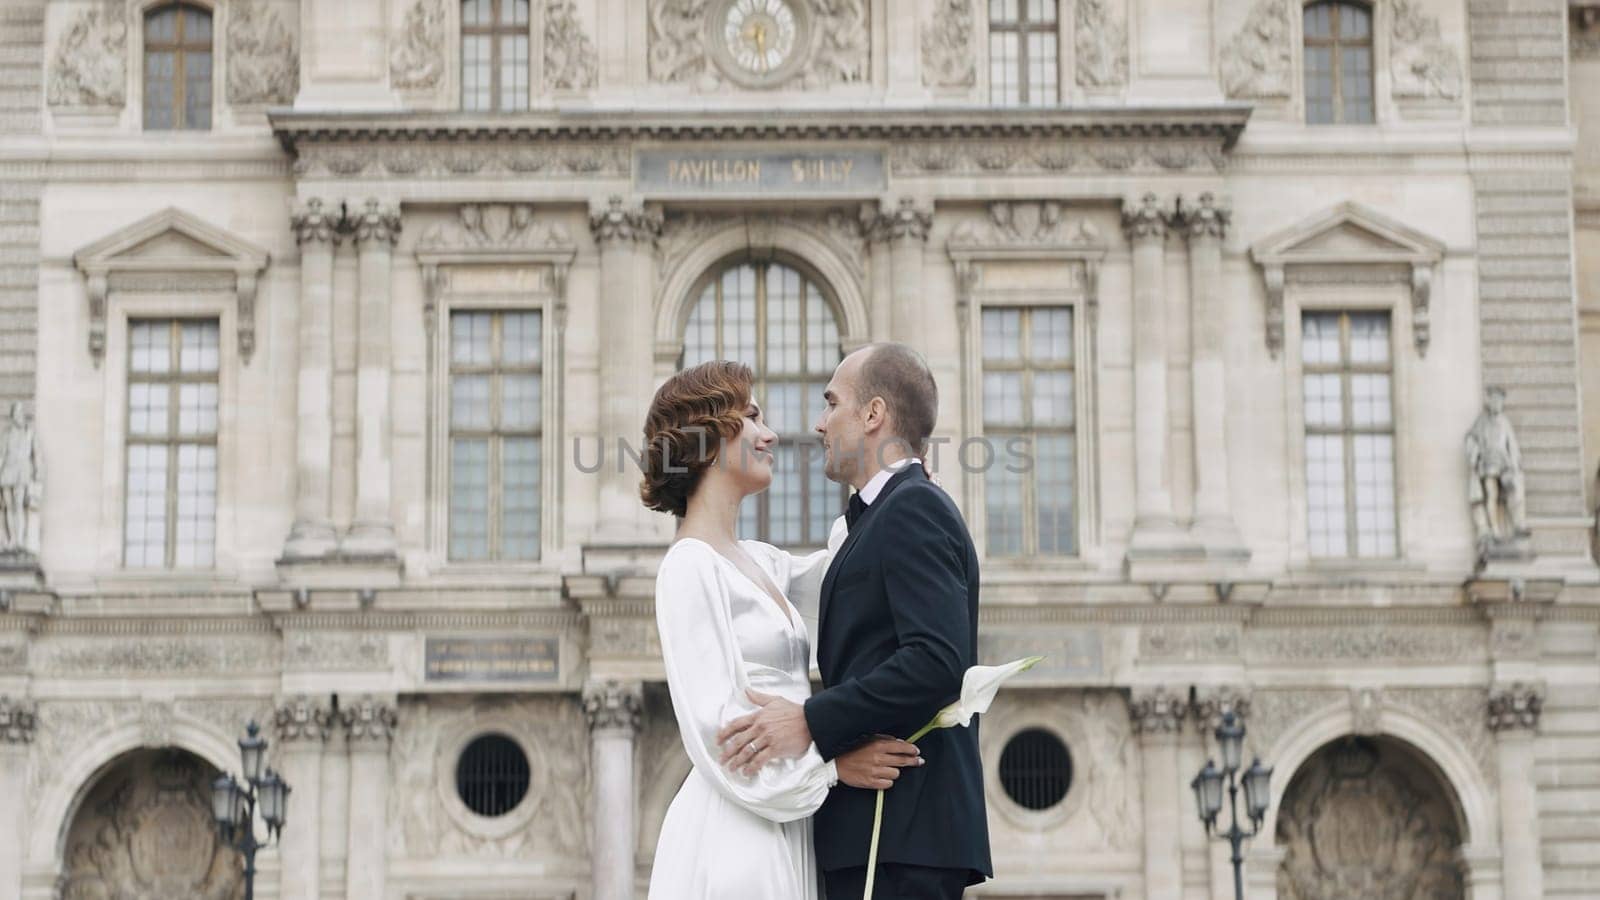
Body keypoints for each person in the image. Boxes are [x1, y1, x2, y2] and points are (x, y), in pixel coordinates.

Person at [640, 360, 924, 900]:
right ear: (709, 439)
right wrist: (833, 769)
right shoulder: (688, 567)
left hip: (786, 819)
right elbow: (721, 738)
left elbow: (852, 562)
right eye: (750, 417)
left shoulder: (763, 562)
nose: (770, 433)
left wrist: (900, 485)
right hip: (738, 830)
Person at [716, 343, 992, 899]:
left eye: (830, 403)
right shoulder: (886, 514)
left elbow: (937, 660)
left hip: (899, 830)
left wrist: (811, 721)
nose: (818, 424)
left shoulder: (913, 508)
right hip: (883, 831)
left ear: (873, 415)